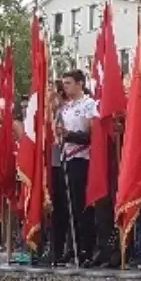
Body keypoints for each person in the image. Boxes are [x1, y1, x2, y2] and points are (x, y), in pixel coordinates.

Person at [53, 70, 97, 267]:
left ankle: (86, 249)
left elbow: (90, 135)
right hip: (65, 160)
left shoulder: (89, 104)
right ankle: (71, 249)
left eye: (69, 83)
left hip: (81, 159)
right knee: (65, 207)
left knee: (81, 207)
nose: (65, 87)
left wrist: (68, 134)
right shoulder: (64, 109)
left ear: (80, 83)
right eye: (64, 83)